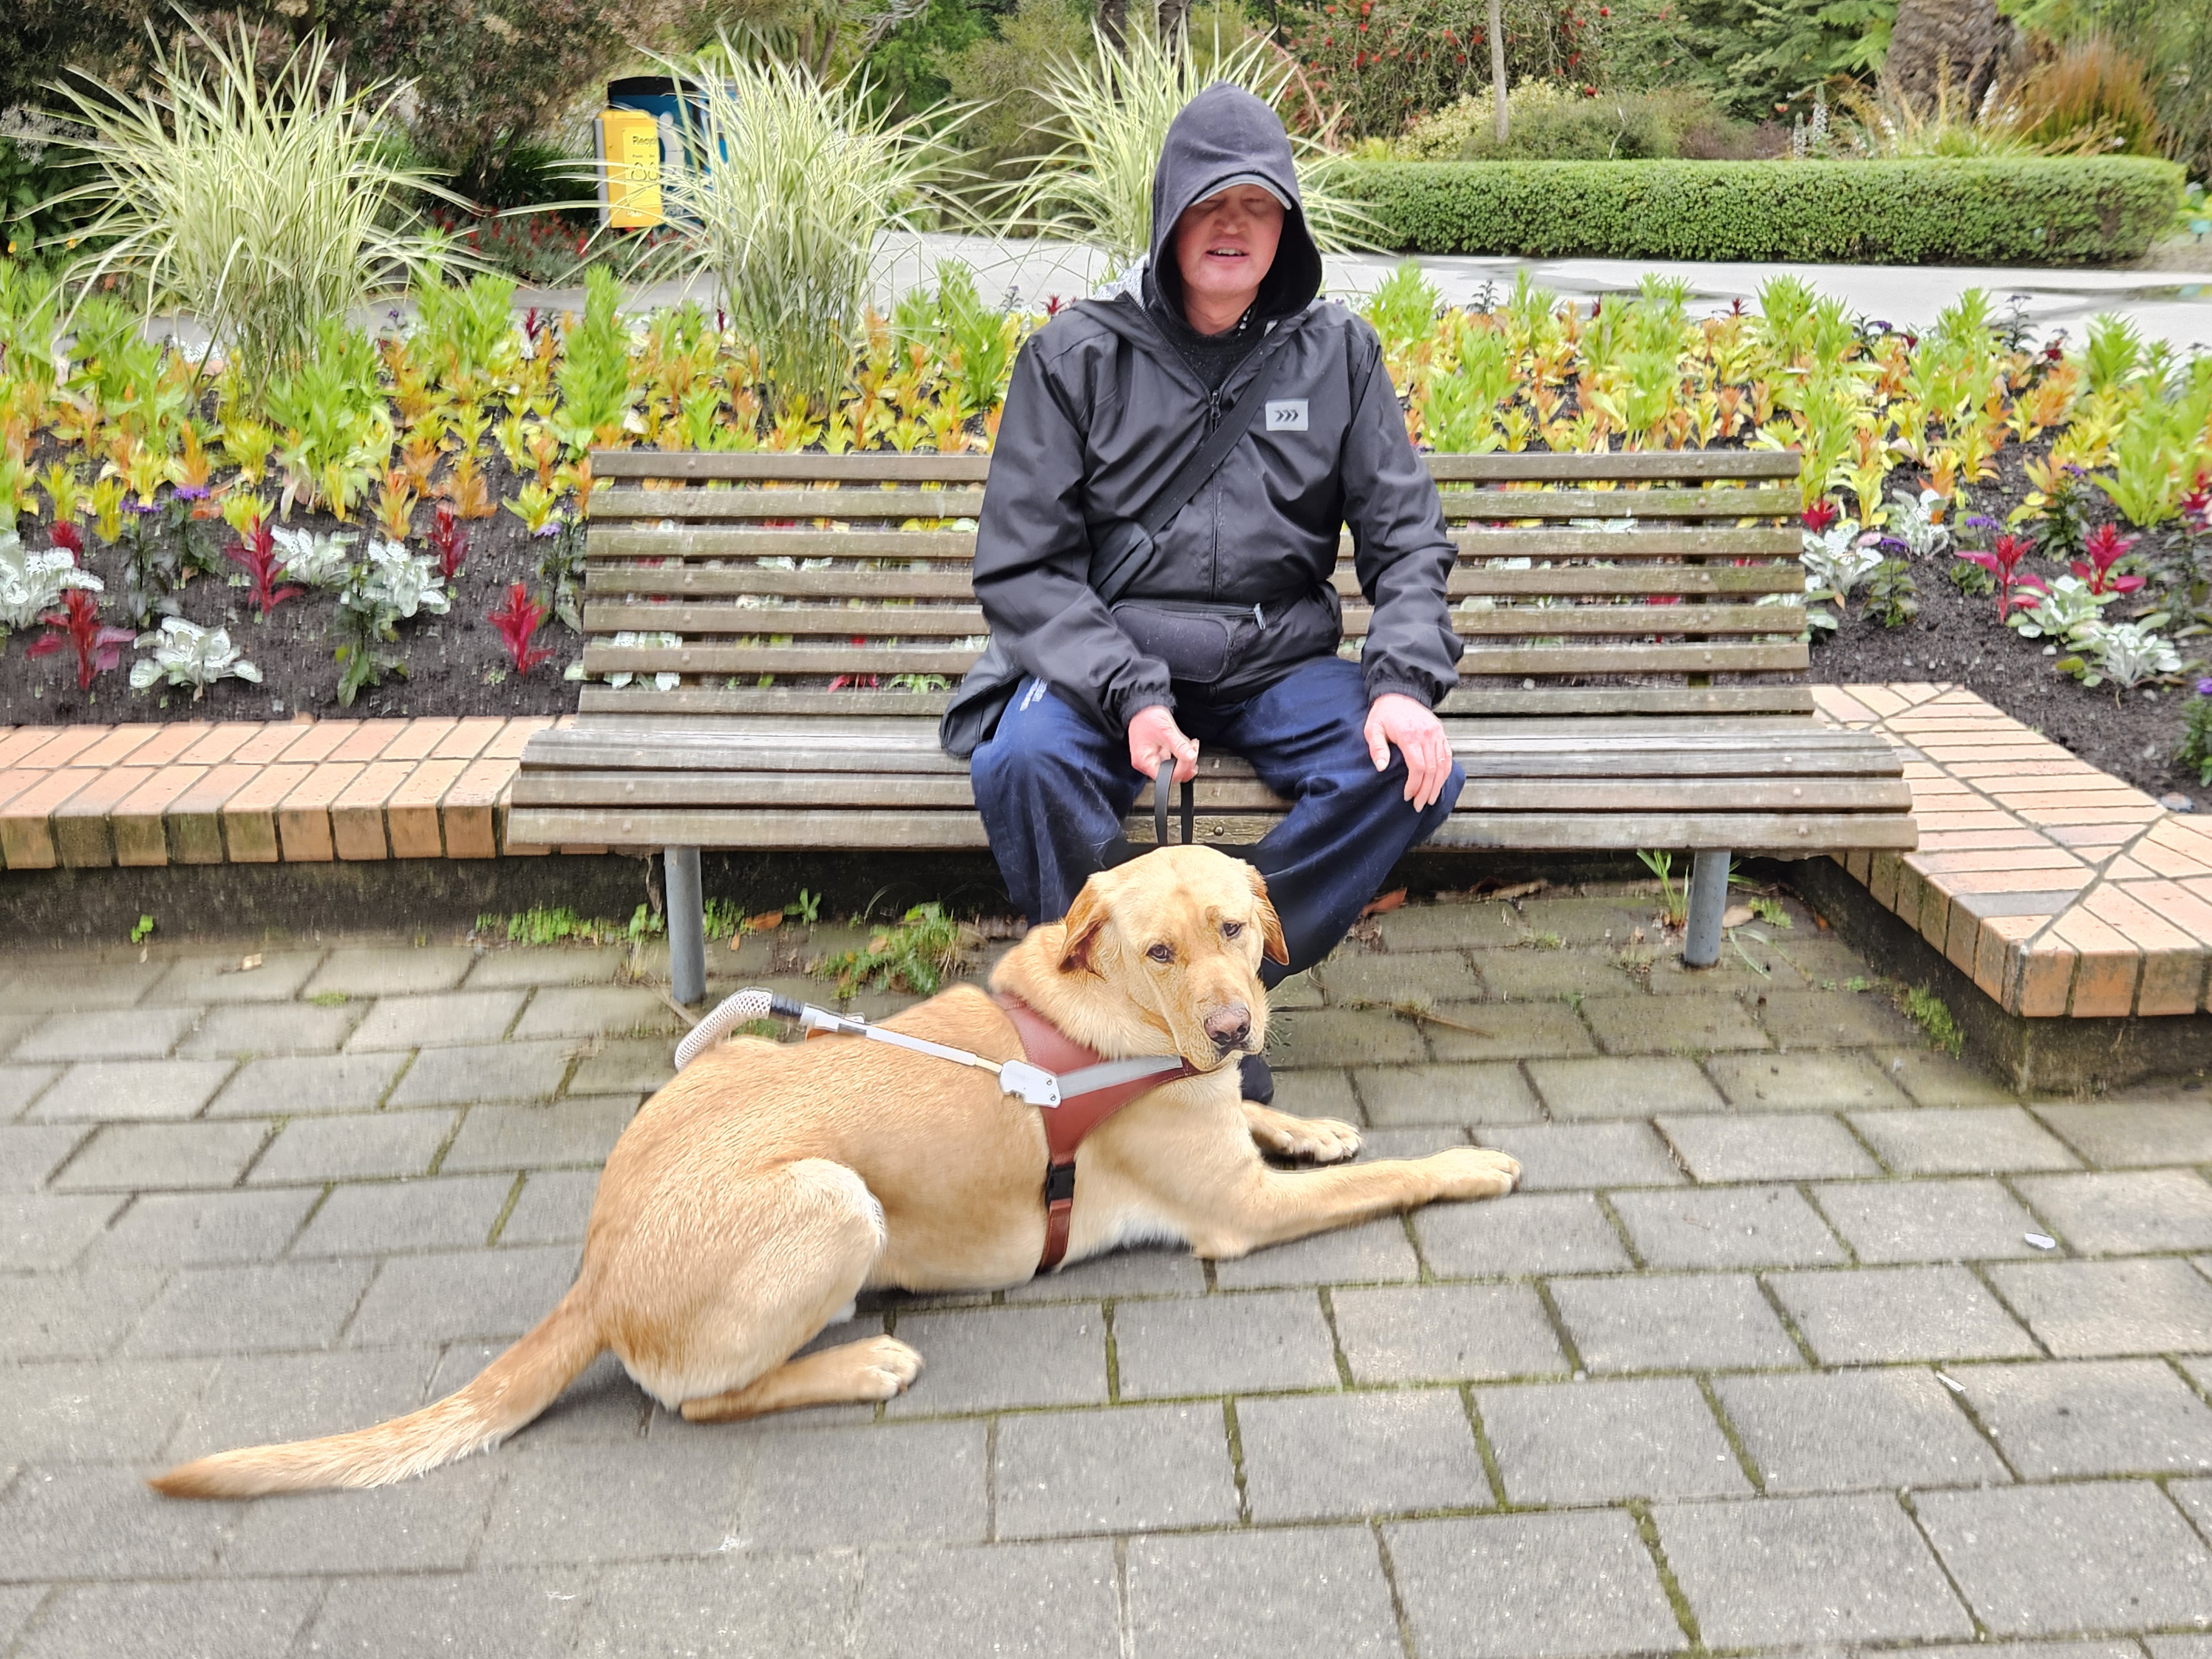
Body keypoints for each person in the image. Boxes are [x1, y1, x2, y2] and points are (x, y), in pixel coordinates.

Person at [954, 83, 1465, 1103]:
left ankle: (1218, 997)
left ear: (1286, 226)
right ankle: (1124, 1032)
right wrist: (1130, 691)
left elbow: (1408, 538)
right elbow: (1024, 566)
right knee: (1019, 760)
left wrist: (1404, 679)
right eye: (1210, 203)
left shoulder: (1340, 358)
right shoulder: (1074, 357)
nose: (1234, 226)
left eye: (1259, 205)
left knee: (1411, 770)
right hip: (1114, 662)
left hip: (1279, 662)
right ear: (1168, 217)